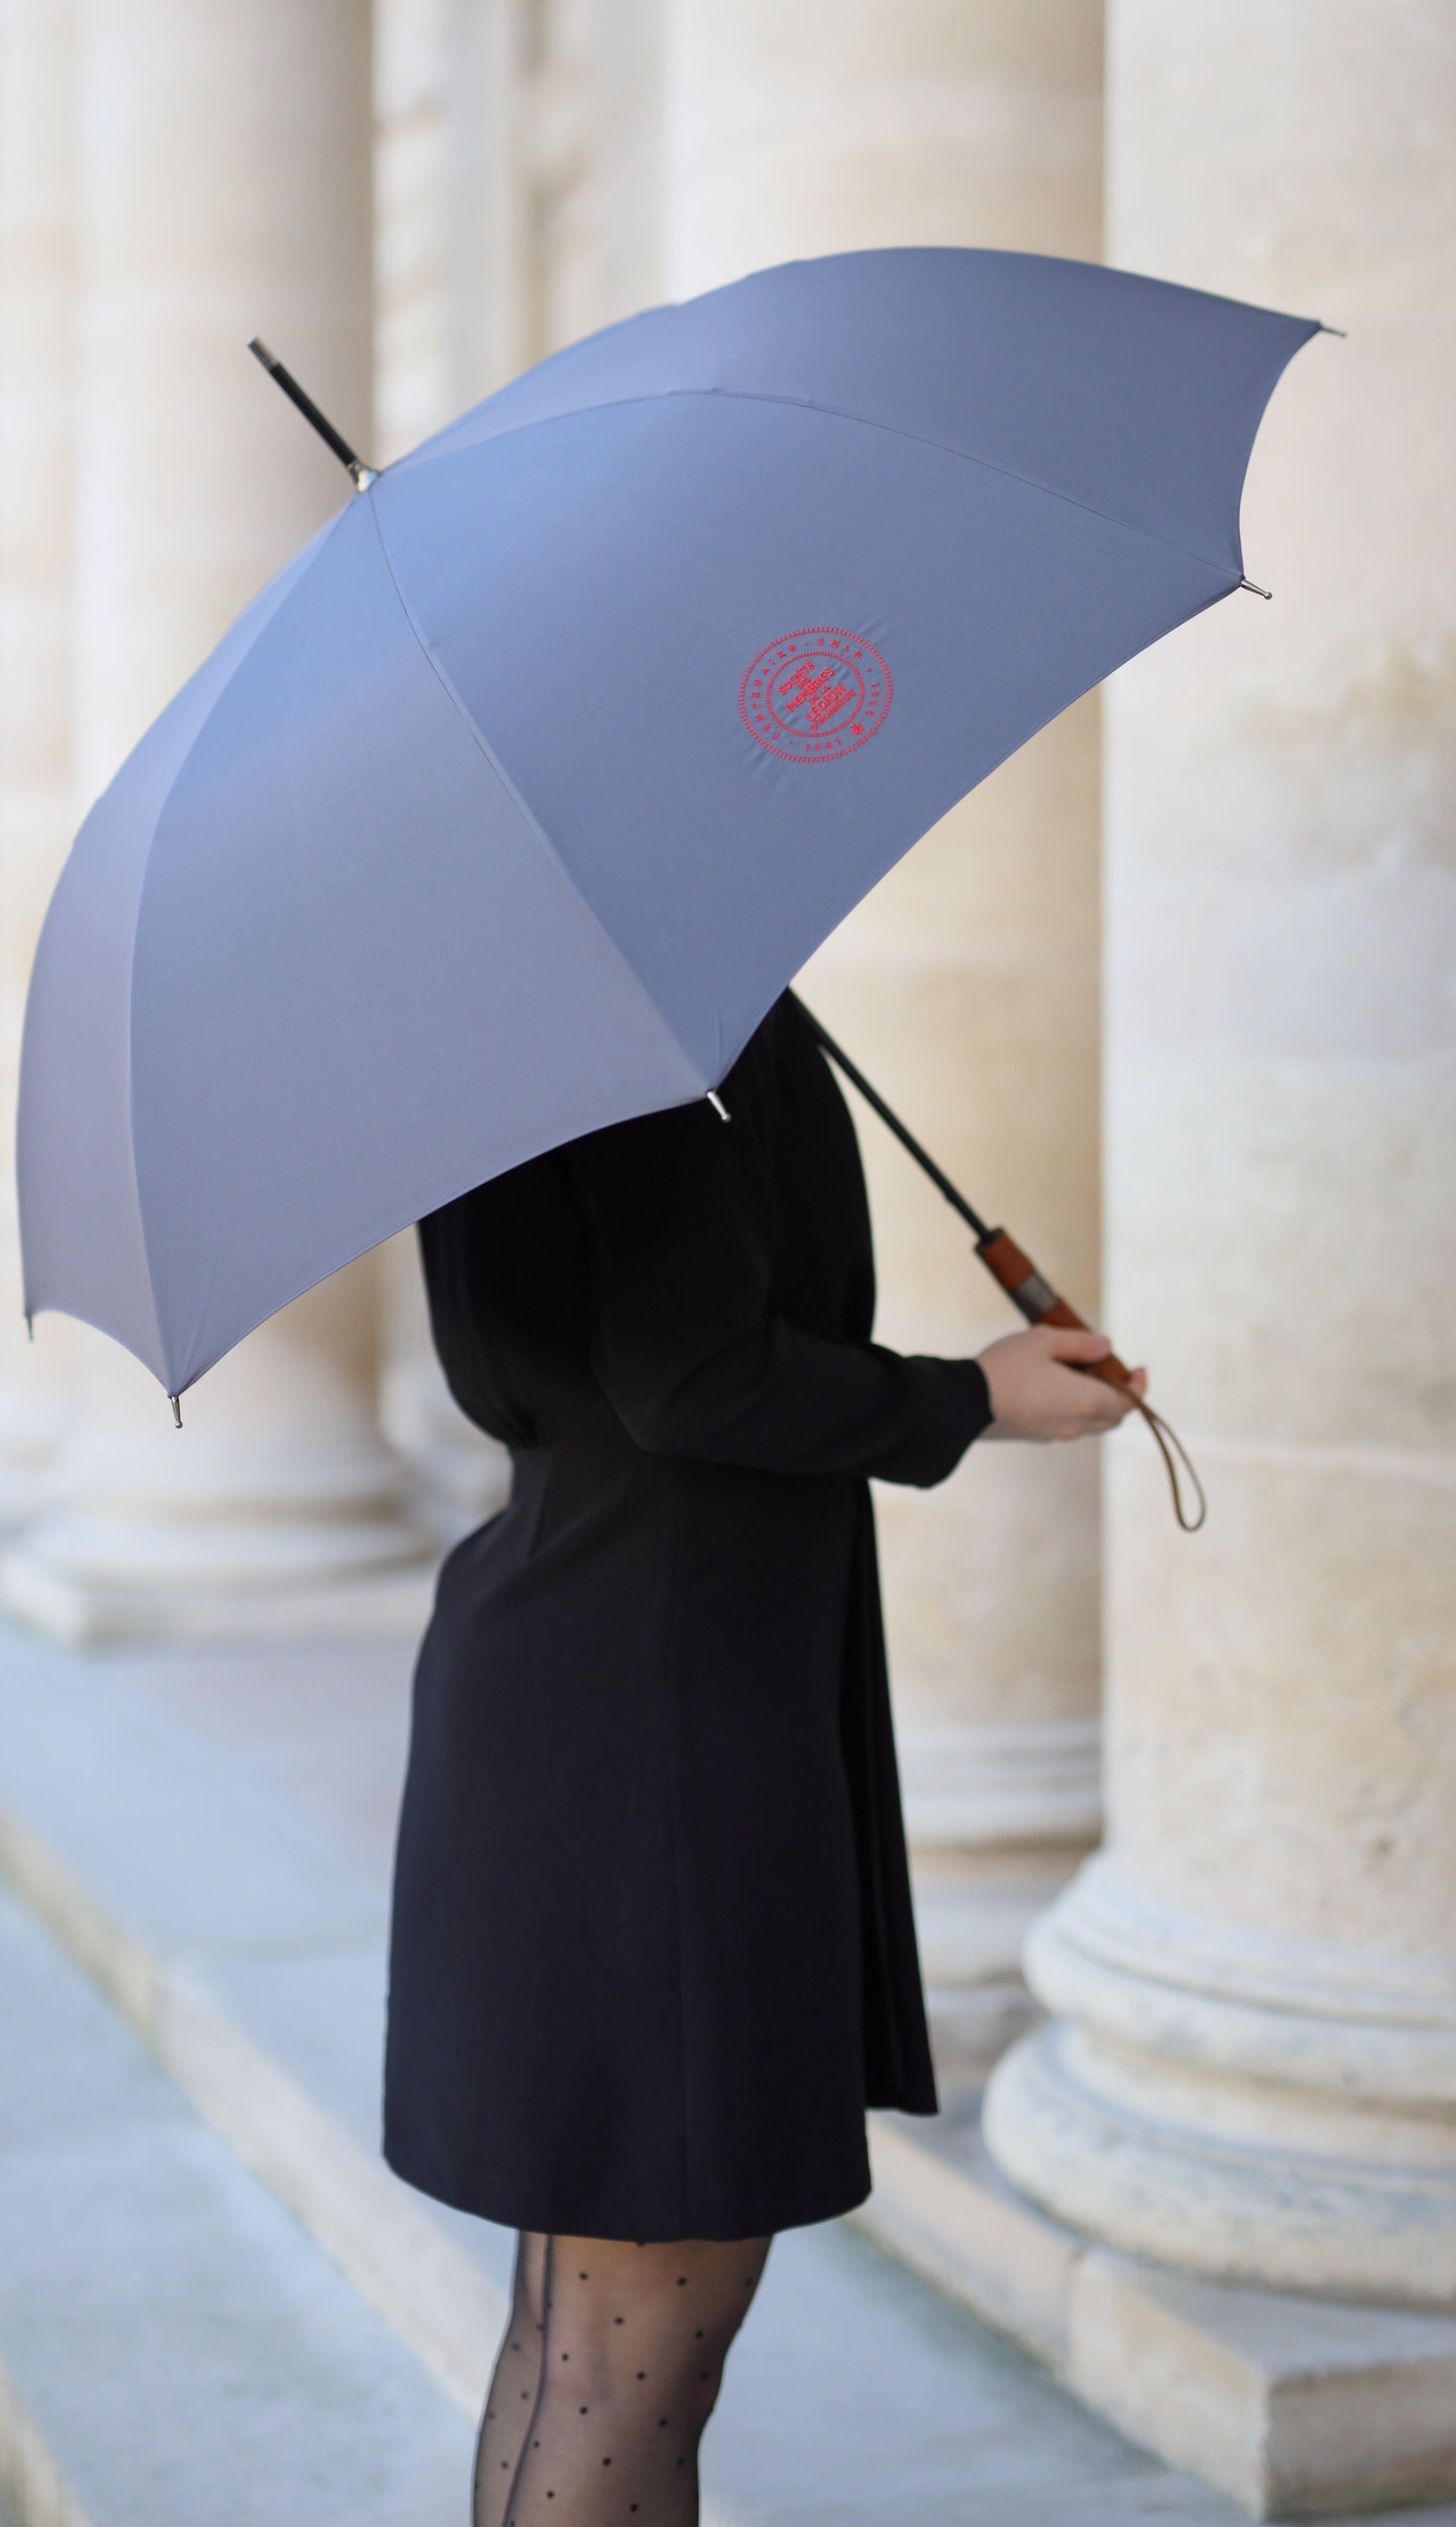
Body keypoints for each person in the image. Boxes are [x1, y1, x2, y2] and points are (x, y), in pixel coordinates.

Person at [383, 992, 1142, 2526]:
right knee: (626, 2357)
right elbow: (693, 1379)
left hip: (588, 1668)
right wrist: (973, 1393)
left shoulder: (507, 1028)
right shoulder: (658, 1029)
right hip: (657, 1725)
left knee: (577, 2331)